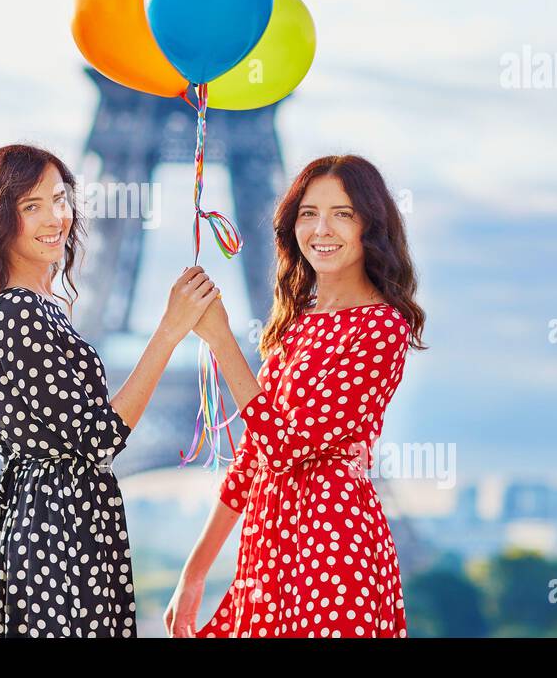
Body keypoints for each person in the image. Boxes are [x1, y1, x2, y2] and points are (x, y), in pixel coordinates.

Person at [0, 143, 218, 636]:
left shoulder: (35, 306)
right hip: (57, 537)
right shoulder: (18, 312)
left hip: (65, 526)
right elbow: (99, 438)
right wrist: (170, 331)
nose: (55, 218)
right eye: (31, 207)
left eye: (58, 199)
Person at [165, 154, 428, 638]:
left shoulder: (382, 327)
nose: (321, 229)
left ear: (371, 224)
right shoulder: (297, 324)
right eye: (308, 213)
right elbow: (253, 459)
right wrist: (195, 572)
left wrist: (222, 340)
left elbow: (286, 447)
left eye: (342, 214)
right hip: (268, 547)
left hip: (331, 546)